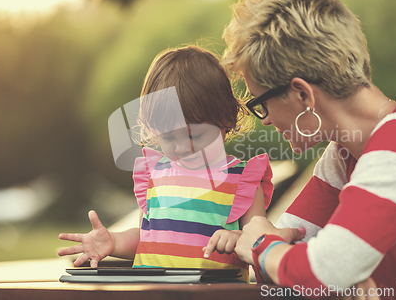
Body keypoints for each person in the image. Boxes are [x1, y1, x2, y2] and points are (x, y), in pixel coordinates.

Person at [221, 0, 396, 299]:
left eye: (260, 103)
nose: (264, 121)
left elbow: (319, 272)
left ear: (302, 95)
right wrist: (271, 251)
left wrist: (260, 245)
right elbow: (286, 270)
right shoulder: (344, 155)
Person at [58, 46, 277, 282]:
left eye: (194, 136)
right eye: (169, 137)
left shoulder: (242, 180)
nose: (182, 147)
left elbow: (261, 244)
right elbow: (148, 238)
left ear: (227, 119)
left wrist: (239, 240)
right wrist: (114, 241)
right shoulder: (155, 175)